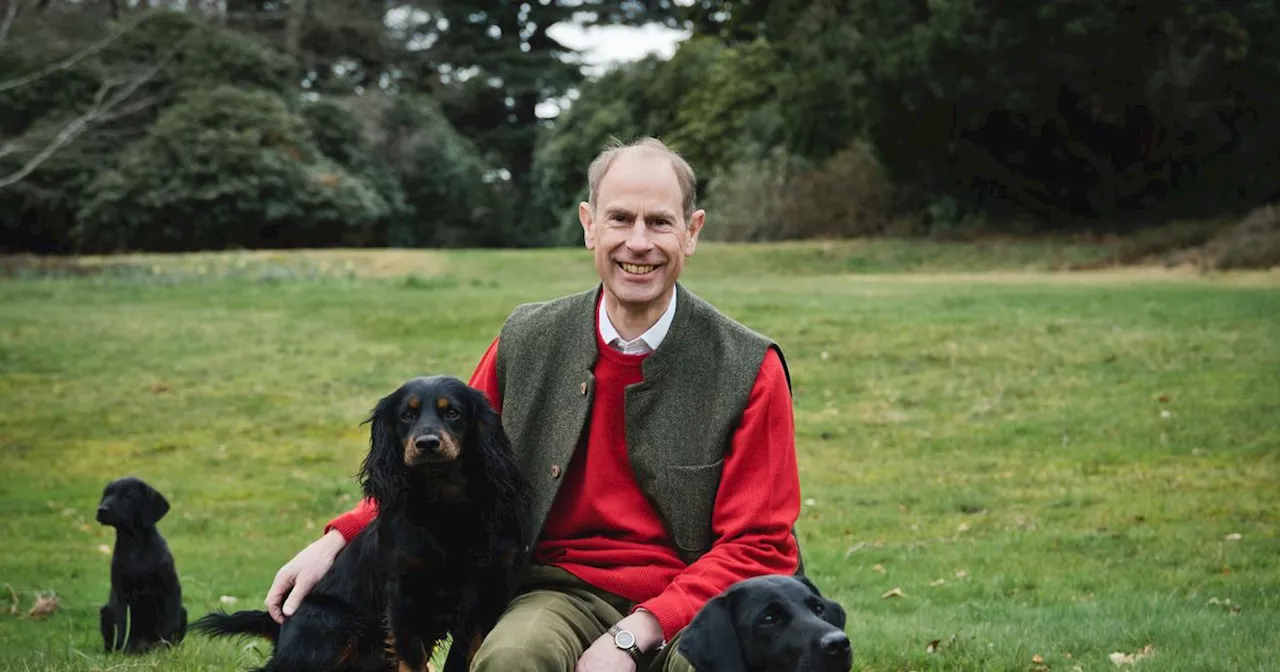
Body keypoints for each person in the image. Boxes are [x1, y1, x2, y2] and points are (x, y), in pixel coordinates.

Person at [264, 137, 803, 671]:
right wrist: (340, 535)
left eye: (660, 222)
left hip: (696, 600)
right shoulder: (526, 339)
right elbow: (442, 465)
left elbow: (759, 545)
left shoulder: (749, 367)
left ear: (692, 231)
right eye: (619, 219)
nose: (638, 243)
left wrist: (636, 633)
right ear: (589, 224)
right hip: (556, 591)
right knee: (510, 660)